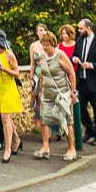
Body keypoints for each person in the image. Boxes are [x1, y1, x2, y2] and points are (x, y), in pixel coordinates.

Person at [32, 27, 78, 161]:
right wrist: (39, 92)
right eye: (43, 45)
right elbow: (42, 75)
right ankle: (45, 146)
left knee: (67, 121)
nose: (45, 48)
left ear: (53, 44)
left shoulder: (60, 55)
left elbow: (71, 73)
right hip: (47, 94)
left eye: (47, 45)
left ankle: (71, 148)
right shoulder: (43, 57)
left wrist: (73, 92)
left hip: (61, 94)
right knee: (45, 119)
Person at [73, 18, 96, 145]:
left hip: (95, 82)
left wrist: (92, 65)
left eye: (81, 28)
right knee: (80, 108)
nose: (79, 31)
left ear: (88, 28)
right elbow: (74, 54)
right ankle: (90, 130)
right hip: (82, 81)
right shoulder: (79, 41)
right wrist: (75, 59)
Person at [0, 30, 24, 161]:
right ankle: (16, 140)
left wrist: (5, 69)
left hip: (8, 88)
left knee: (5, 118)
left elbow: (17, 73)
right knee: (5, 118)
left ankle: (8, 148)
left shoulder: (9, 55)